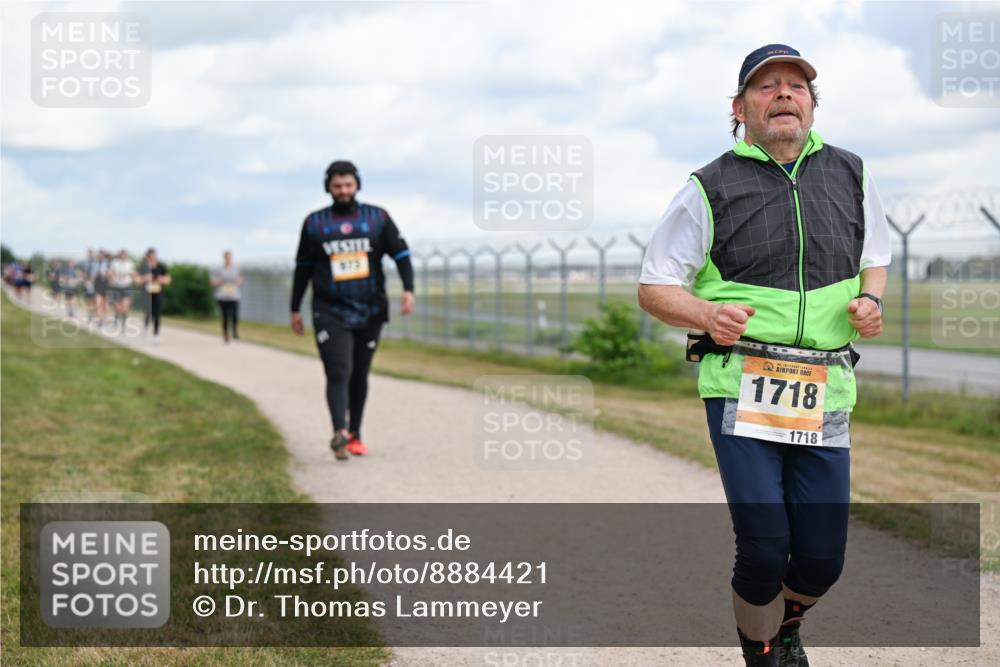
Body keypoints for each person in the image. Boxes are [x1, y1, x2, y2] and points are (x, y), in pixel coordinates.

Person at [638, 45, 890, 667]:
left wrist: (870, 302)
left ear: (811, 103)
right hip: (741, 380)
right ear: (739, 107)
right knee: (763, 545)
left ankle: (788, 621)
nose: (784, 94)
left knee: (822, 558)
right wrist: (705, 314)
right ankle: (763, 650)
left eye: (796, 86)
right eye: (767, 85)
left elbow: (874, 258)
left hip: (823, 388)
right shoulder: (710, 185)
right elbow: (655, 286)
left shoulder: (852, 173)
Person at [290, 160, 415, 460]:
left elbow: (402, 255)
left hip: (370, 309)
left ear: (357, 184)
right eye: (337, 186)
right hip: (329, 309)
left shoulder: (377, 218)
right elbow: (303, 269)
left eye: (348, 185)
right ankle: (339, 432)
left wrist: (408, 289)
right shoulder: (314, 223)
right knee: (338, 370)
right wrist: (295, 307)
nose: (343, 191)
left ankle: (355, 434)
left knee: (360, 372)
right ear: (328, 188)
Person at [138, 248, 171, 344]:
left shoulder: (161, 266)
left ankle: (156, 335)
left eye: (154, 256)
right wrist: (145, 278)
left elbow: (168, 280)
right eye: (150, 256)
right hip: (146, 294)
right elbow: (137, 279)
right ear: (147, 256)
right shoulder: (143, 267)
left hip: (157, 293)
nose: (153, 258)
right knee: (148, 313)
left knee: (157, 314)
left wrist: (160, 279)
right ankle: (145, 330)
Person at [211, 250, 242, 343]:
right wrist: (220, 281)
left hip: (234, 295)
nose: (228, 259)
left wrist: (238, 281)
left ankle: (234, 330)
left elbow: (240, 279)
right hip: (223, 296)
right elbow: (213, 281)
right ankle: (225, 334)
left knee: (235, 315)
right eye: (226, 257)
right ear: (224, 258)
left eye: (229, 257)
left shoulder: (236, 268)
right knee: (225, 316)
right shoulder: (218, 269)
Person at [109, 249, 136, 330]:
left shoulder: (130, 263)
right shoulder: (114, 263)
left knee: (125, 306)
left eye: (125, 255)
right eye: (122, 255)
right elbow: (110, 272)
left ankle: (124, 324)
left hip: (126, 286)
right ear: (120, 255)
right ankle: (116, 319)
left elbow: (133, 273)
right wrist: (112, 276)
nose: (124, 256)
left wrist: (131, 275)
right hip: (116, 286)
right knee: (117, 307)